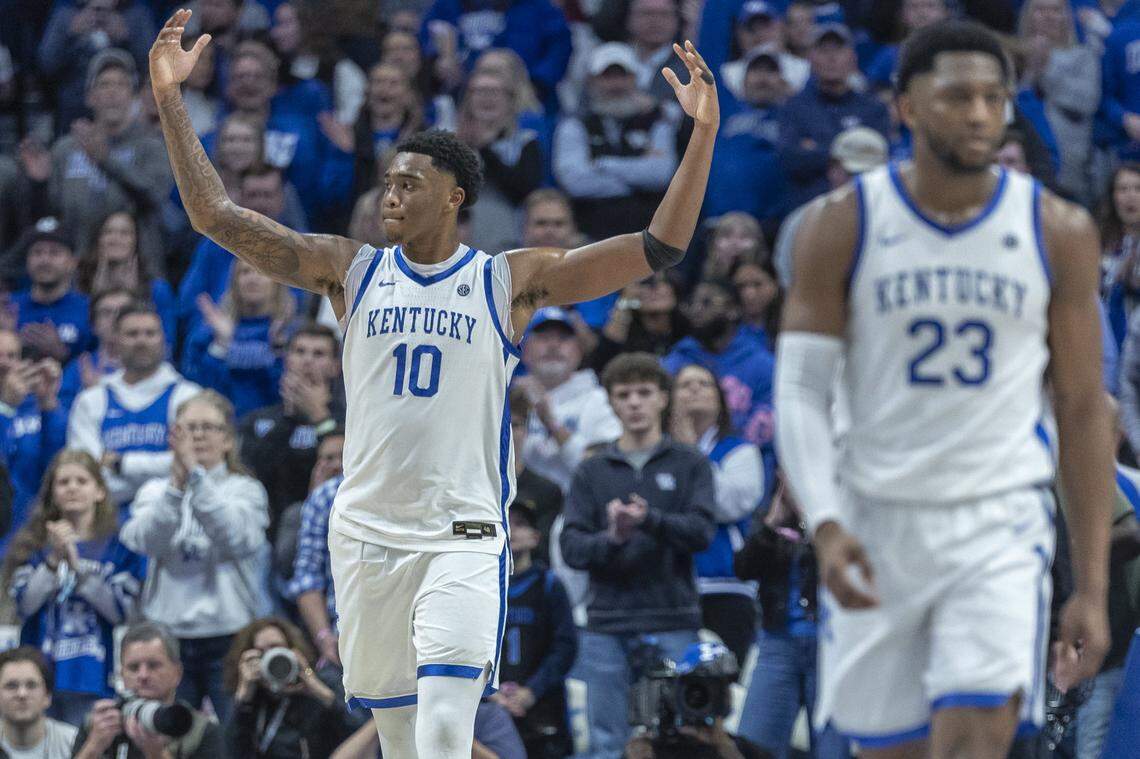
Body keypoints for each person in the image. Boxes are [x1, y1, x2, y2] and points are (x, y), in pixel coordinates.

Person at [149, 8, 718, 758]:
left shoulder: (507, 280)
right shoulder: (347, 269)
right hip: (366, 533)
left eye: (409, 183)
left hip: (462, 532)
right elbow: (214, 214)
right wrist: (169, 102)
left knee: (448, 728)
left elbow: (659, 246)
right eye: (387, 181)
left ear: (454, 197)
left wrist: (702, 134)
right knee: (402, 734)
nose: (390, 195)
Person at [774, 19, 1112, 758]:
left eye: (995, 98)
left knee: (973, 740)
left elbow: (1085, 408)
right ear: (905, 108)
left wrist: (1090, 582)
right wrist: (825, 521)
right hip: (876, 520)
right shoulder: (840, 224)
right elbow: (800, 389)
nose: (981, 114)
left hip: (999, 520)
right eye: (958, 96)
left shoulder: (1058, 230)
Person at [560, 352, 716, 758]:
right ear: (610, 402)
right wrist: (612, 537)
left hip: (672, 619)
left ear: (664, 398)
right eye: (623, 394)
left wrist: (650, 521)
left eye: (644, 392)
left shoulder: (691, 463)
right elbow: (571, 548)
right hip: (606, 625)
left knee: (679, 741)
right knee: (608, 743)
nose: (634, 403)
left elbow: (702, 533)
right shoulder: (591, 471)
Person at [120, 390, 270, 723]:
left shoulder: (246, 489)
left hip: (231, 635)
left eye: (208, 427)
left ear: (228, 440)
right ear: (174, 437)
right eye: (189, 428)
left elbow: (235, 538)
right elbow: (142, 540)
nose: (198, 435)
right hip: (168, 640)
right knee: (168, 739)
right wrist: (175, 490)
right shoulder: (155, 491)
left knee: (235, 738)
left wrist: (196, 478)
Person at [2, 451, 145, 727]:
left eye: (82, 480)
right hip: (39, 677)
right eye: (63, 482)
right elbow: (24, 605)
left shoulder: (119, 547)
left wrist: (78, 569)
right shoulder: (30, 545)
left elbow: (120, 611)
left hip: (96, 673)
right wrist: (54, 560)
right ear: (52, 493)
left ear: (100, 491)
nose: (72, 487)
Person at [669, 363, 763, 668]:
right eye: (685, 384)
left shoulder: (740, 452)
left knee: (725, 690)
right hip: (667, 591)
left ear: (721, 401)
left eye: (704, 383)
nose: (695, 388)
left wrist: (691, 451)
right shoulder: (657, 452)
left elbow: (727, 505)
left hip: (726, 586)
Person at [47, 49, 173, 279]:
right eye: (104, 85)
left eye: (121, 85)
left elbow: (155, 196)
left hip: (138, 275)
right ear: (89, 96)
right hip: (76, 273)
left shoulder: (153, 145)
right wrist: (36, 183)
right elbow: (54, 211)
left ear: (133, 96)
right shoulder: (65, 149)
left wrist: (106, 161)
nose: (113, 92)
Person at [66, 305, 200, 508]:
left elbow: (191, 463)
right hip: (105, 521)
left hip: (171, 517)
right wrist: (161, 472)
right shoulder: (91, 400)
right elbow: (88, 473)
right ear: (115, 342)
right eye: (132, 334)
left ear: (163, 340)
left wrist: (122, 464)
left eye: (150, 333)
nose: (141, 341)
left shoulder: (188, 396)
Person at [554, 43, 680, 243]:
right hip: (591, 232)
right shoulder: (574, 123)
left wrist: (602, 165)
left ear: (636, 80)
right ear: (591, 81)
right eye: (607, 77)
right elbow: (575, 181)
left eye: (623, 76)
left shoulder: (658, 119)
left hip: (649, 235)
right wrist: (636, 183)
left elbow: (661, 173)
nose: (616, 85)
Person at [662, 279, 776, 491]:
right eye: (692, 304)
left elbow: (769, 425)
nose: (696, 310)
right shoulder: (677, 359)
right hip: (675, 467)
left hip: (747, 474)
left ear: (732, 310)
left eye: (707, 303)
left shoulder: (763, 364)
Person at [238, 324, 345, 537]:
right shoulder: (259, 420)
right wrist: (289, 415)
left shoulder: (349, 419)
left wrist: (320, 418)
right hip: (264, 534)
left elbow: (342, 469)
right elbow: (250, 475)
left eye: (319, 354)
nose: (307, 360)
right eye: (300, 351)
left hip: (327, 530)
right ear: (287, 360)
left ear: (335, 366)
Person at [493, 500, 577, 758]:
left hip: (541, 704)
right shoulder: (484, 586)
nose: (513, 531)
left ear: (535, 537)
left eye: (521, 524)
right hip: (493, 705)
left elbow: (565, 646)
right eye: (507, 523)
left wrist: (531, 691)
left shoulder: (549, 584)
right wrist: (492, 693)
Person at [72, 622, 226, 759]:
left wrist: (156, 754)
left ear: (177, 673)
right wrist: (93, 747)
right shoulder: (99, 724)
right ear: (121, 674)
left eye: (153, 665)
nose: (143, 675)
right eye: (133, 668)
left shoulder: (198, 730)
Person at [777, 24, 891, 208]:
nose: (831, 58)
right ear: (811, 59)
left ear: (853, 58)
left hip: (864, 207)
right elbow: (790, 159)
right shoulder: (793, 107)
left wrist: (818, 150)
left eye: (838, 50)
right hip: (809, 208)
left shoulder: (873, 108)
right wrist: (850, 155)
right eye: (823, 51)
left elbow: (878, 160)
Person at [515, 307, 622, 494]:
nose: (553, 345)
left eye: (563, 338)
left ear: (579, 351)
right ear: (524, 350)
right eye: (543, 338)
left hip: (574, 513)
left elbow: (608, 473)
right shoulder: (506, 400)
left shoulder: (599, 400)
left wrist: (553, 425)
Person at [223, 617, 356, 759]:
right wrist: (243, 697)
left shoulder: (321, 684)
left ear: (293, 650)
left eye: (276, 647)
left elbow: (361, 734)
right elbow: (231, 752)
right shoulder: (251, 700)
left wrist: (316, 688)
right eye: (261, 652)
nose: (270, 656)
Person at [181, 260, 295, 418]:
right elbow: (200, 386)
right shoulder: (210, 331)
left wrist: (277, 350)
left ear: (278, 282)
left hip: (274, 428)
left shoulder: (291, 332)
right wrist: (220, 345)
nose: (252, 278)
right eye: (245, 272)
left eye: (261, 272)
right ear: (234, 281)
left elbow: (285, 390)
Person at [456, 70, 544, 255]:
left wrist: (486, 149)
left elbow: (525, 189)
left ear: (511, 100)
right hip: (456, 243)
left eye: (495, 91)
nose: (487, 98)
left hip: (507, 242)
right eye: (479, 91)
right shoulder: (447, 142)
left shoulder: (525, 141)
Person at [0, 329, 66, 549]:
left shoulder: (33, 408)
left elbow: (55, 463)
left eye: (12, 356)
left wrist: (48, 402)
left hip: (29, 535)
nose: (5, 364)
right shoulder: (9, 408)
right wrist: (6, 408)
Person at [76, 211, 177, 348]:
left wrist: (133, 299)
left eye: (125, 233)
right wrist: (95, 300)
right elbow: (80, 341)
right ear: (98, 239)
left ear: (136, 240)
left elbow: (167, 343)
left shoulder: (157, 289)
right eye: (108, 232)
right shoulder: (80, 284)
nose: (115, 239)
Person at [12, 218, 90, 365]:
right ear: (27, 260)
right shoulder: (7, 307)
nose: (44, 260)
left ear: (73, 262)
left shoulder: (89, 309)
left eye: (54, 253)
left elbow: (103, 362)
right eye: (37, 252)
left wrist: (62, 355)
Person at [507, 388, 563, 564]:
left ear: (526, 430)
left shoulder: (547, 490)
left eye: (515, 425)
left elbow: (546, 553)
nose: (507, 434)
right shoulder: (468, 486)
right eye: (501, 426)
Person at [57, 288, 133, 412]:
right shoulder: (78, 368)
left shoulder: (150, 367)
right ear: (93, 325)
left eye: (123, 312)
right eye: (106, 312)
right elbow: (63, 416)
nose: (115, 319)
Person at [0, 647, 77, 759]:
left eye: (31, 685)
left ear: (47, 696)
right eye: (11, 686)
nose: (22, 694)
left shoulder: (72, 743)